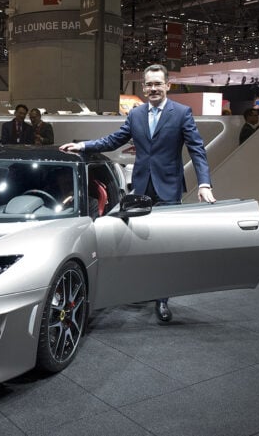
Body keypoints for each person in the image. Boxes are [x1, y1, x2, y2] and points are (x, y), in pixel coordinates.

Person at [59, 63, 216, 323]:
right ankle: (143, 288)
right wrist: (83, 145)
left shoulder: (182, 113)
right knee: (139, 242)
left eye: (158, 84)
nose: (153, 88)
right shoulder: (136, 114)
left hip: (168, 188)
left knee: (165, 246)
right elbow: (114, 140)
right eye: (149, 84)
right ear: (143, 87)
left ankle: (163, 299)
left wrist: (204, 184)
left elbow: (197, 151)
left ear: (167, 85)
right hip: (141, 187)